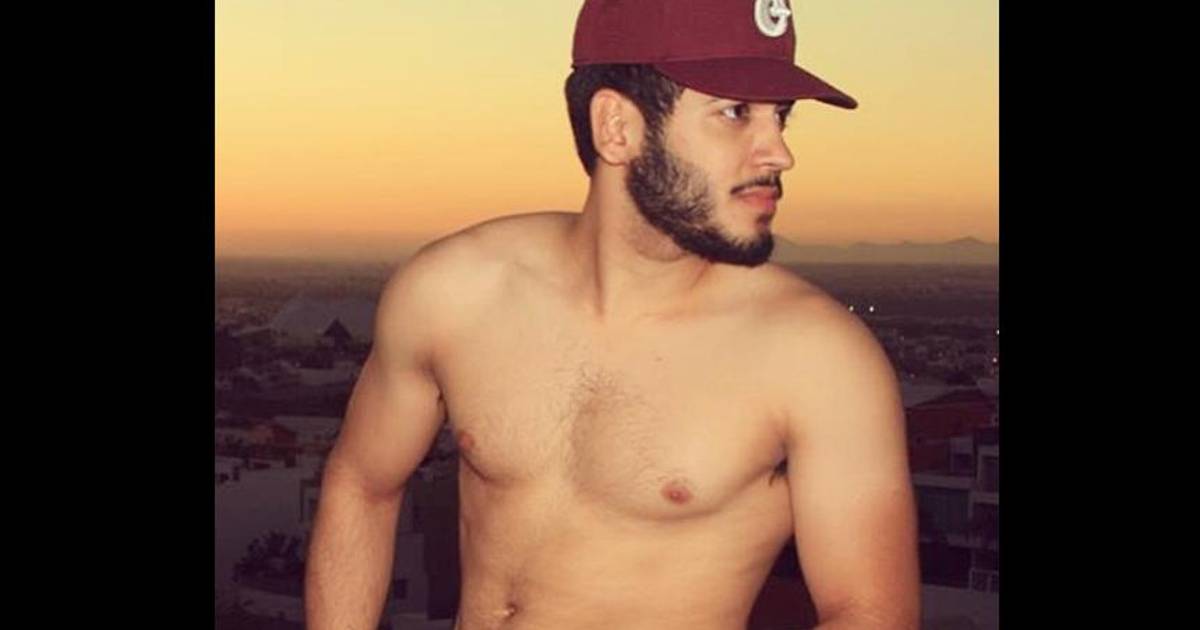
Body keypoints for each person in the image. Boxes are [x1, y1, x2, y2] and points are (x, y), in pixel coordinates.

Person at [305, 1, 920, 628]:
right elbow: (362, 484)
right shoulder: (456, 290)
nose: (779, 153)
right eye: (736, 113)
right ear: (616, 127)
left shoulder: (817, 357)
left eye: (780, 116)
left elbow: (871, 614)